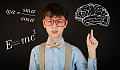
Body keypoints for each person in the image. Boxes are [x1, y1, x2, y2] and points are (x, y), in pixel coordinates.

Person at [29, 2, 98, 70]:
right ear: (44, 23)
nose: (54, 26)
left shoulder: (74, 52)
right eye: (50, 21)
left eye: (59, 21)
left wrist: (91, 51)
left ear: (65, 24)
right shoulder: (36, 51)